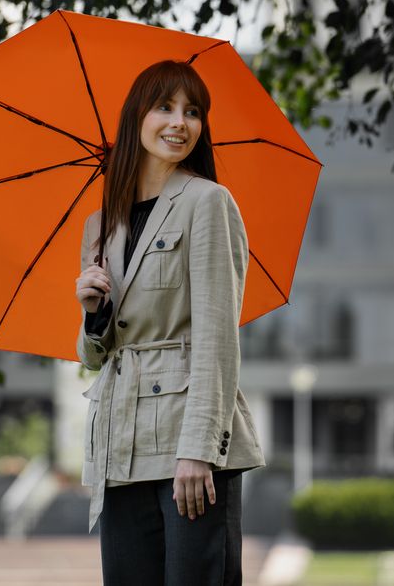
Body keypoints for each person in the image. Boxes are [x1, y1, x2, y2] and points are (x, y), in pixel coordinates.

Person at [74, 60, 266, 586]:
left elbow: (217, 337)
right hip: (119, 444)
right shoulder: (99, 225)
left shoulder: (207, 202)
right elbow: (93, 356)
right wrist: (92, 314)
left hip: (186, 441)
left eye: (193, 111)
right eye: (165, 107)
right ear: (136, 117)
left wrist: (198, 452)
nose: (180, 122)